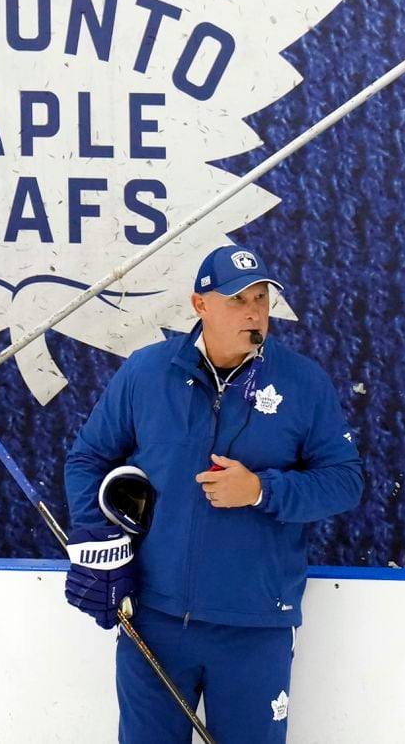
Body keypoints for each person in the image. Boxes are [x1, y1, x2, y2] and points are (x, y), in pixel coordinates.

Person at [64, 244, 363, 744]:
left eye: (261, 298)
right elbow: (88, 459)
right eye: (236, 299)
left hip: (255, 626)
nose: (253, 311)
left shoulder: (303, 383)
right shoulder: (146, 372)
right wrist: (99, 547)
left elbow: (344, 482)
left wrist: (261, 490)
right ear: (200, 305)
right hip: (154, 619)